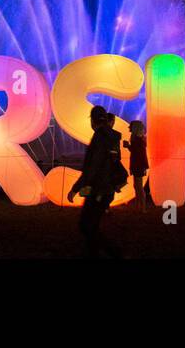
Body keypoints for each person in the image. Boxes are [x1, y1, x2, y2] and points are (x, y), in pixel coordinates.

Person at [66, 105, 126, 257]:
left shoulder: (99, 138)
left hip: (97, 189)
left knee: (86, 225)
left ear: (92, 121)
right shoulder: (113, 138)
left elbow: (92, 167)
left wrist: (76, 188)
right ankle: (94, 252)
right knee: (92, 225)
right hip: (107, 189)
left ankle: (113, 252)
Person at [124, 120, 149, 211]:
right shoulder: (138, 139)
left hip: (138, 165)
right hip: (138, 164)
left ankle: (142, 207)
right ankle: (139, 206)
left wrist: (128, 146)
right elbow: (137, 152)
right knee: (137, 185)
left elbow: (137, 153)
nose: (129, 128)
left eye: (130, 127)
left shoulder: (138, 140)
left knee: (139, 186)